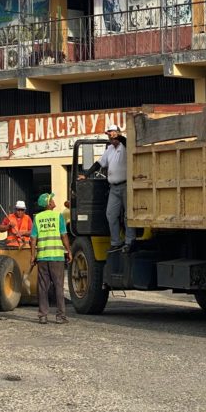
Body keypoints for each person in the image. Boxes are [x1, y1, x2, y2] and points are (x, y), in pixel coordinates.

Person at [81, 125, 135, 251]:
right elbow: (99, 163)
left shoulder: (125, 146)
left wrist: (119, 137)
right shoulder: (109, 149)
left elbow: (127, 142)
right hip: (114, 188)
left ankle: (130, 240)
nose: (111, 138)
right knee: (110, 214)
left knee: (129, 215)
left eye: (113, 134)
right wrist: (86, 175)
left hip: (126, 185)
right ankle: (116, 242)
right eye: (109, 135)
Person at [29, 192, 72, 324]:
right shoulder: (58, 216)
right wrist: (69, 251)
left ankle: (43, 316)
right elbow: (64, 235)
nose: (54, 201)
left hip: (42, 257)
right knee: (58, 286)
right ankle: (60, 316)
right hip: (57, 257)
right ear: (48, 203)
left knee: (42, 287)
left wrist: (32, 255)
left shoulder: (38, 218)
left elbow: (33, 238)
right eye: (52, 199)